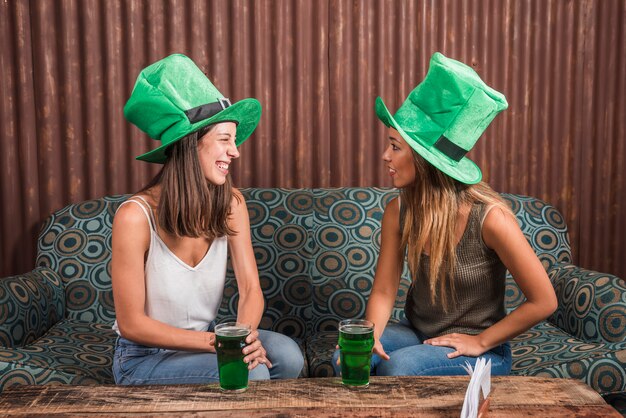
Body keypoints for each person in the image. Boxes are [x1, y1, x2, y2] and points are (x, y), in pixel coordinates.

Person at [334, 52, 557, 376]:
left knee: (401, 368)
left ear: (425, 162)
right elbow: (383, 291)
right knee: (347, 357)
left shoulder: (491, 218)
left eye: (395, 146)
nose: (385, 155)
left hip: (484, 349)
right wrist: (370, 335)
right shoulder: (398, 211)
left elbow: (544, 301)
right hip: (417, 331)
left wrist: (481, 341)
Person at [111, 54, 304, 385]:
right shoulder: (134, 216)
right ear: (191, 144)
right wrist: (218, 343)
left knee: (288, 356)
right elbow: (132, 324)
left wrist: (243, 336)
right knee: (253, 372)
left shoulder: (231, 203)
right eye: (225, 139)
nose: (236, 152)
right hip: (143, 358)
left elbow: (250, 289)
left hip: (204, 344)